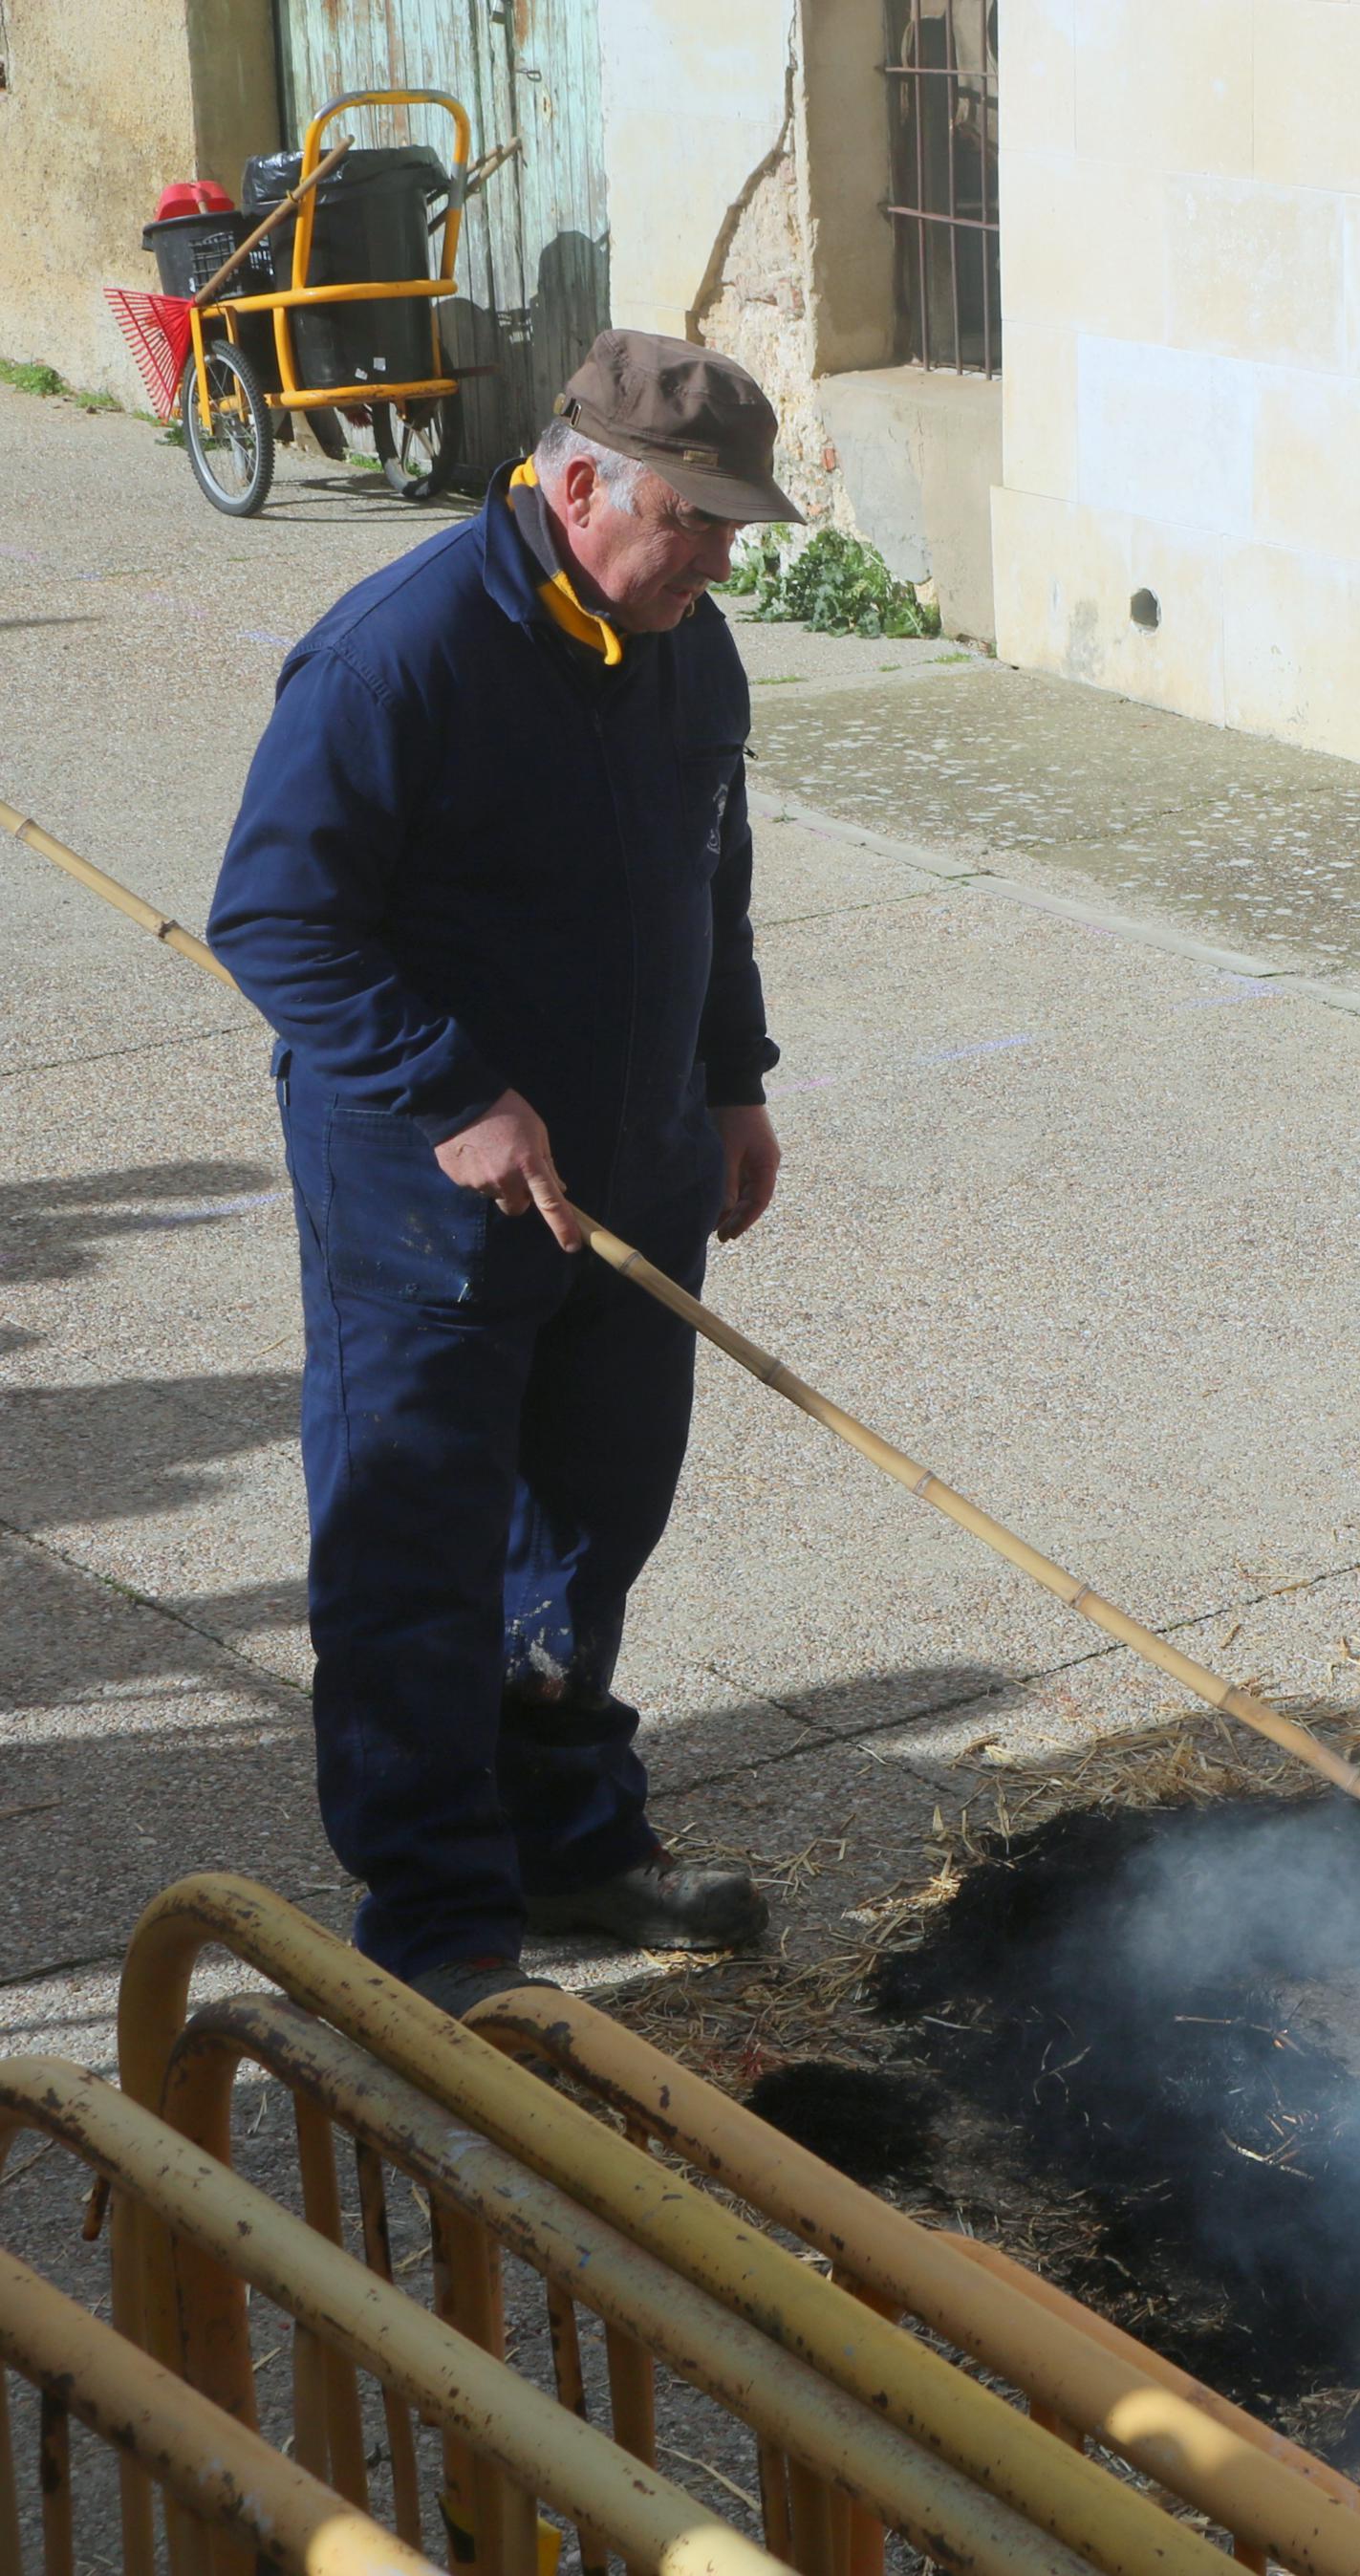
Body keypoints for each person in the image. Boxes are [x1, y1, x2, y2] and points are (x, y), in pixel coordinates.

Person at [207, 331, 808, 2016]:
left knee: (591, 1532)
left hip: (638, 1160)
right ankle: (442, 1919)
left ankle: (571, 1844)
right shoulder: (395, 658)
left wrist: (731, 1082)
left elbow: (714, 877)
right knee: (419, 1547)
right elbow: (276, 918)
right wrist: (449, 1088)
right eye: (689, 521)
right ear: (574, 484)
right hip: (424, 1189)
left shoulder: (691, 651)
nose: (713, 559)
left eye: (731, 529)